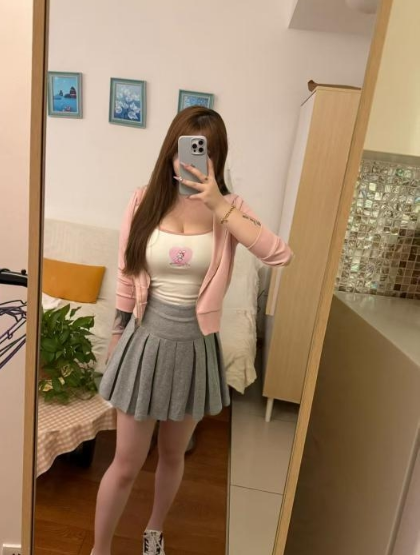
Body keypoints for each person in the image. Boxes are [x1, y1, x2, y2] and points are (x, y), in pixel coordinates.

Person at [93, 106, 293, 555]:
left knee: (172, 454)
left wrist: (219, 204)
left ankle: (154, 532)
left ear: (217, 158)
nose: (192, 162)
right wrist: (116, 338)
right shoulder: (143, 201)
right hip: (146, 342)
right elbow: (126, 275)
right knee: (125, 463)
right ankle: (99, 550)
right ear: (171, 151)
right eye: (184, 150)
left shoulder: (230, 209)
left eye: (206, 153)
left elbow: (279, 254)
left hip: (196, 347)